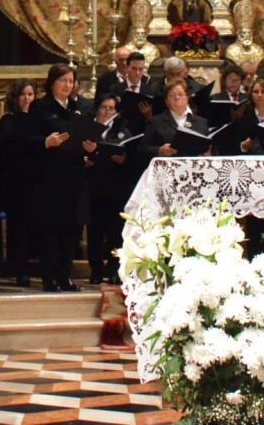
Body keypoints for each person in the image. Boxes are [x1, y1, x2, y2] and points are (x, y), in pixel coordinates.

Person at [28, 64, 90, 293]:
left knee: (72, 230)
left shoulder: (78, 108)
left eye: (71, 81)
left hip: (74, 177)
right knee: (51, 229)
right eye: (63, 80)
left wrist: (90, 147)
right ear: (52, 82)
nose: (67, 85)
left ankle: (66, 276)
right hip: (49, 178)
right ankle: (50, 277)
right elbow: (28, 140)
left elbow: (84, 137)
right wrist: (46, 142)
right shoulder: (39, 107)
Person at [83, 94, 133, 285]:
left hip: (115, 187)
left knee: (115, 231)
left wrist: (124, 159)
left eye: (111, 108)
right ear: (97, 109)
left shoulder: (121, 131)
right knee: (94, 230)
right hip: (92, 186)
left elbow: (129, 154)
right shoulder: (88, 130)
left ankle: (114, 269)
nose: (107, 112)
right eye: (104, 107)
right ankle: (95, 270)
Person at [0, 79, 37, 287]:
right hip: (16, 182)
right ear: (15, 98)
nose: (27, 98)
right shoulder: (8, 120)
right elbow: (0, 149)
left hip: (35, 181)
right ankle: (21, 271)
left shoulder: (37, 119)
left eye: (30, 94)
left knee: (34, 228)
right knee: (19, 227)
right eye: (23, 94)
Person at [139, 79, 210, 164]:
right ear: (166, 102)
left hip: (195, 170)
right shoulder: (155, 122)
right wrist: (159, 150)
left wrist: (209, 154)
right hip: (167, 170)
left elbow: (211, 148)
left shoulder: (201, 122)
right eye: (172, 95)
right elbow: (142, 149)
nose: (177, 97)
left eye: (180, 94)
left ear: (187, 98)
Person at [114, 51, 158, 134]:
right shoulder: (115, 89)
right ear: (127, 67)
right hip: (121, 132)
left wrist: (149, 115)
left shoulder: (152, 91)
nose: (137, 73)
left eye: (140, 69)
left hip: (144, 132)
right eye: (134, 68)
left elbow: (158, 117)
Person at [236, 78, 264, 154]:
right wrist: (243, 146)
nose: (259, 95)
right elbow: (236, 144)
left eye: (263, 92)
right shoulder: (244, 116)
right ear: (251, 95)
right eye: (256, 92)